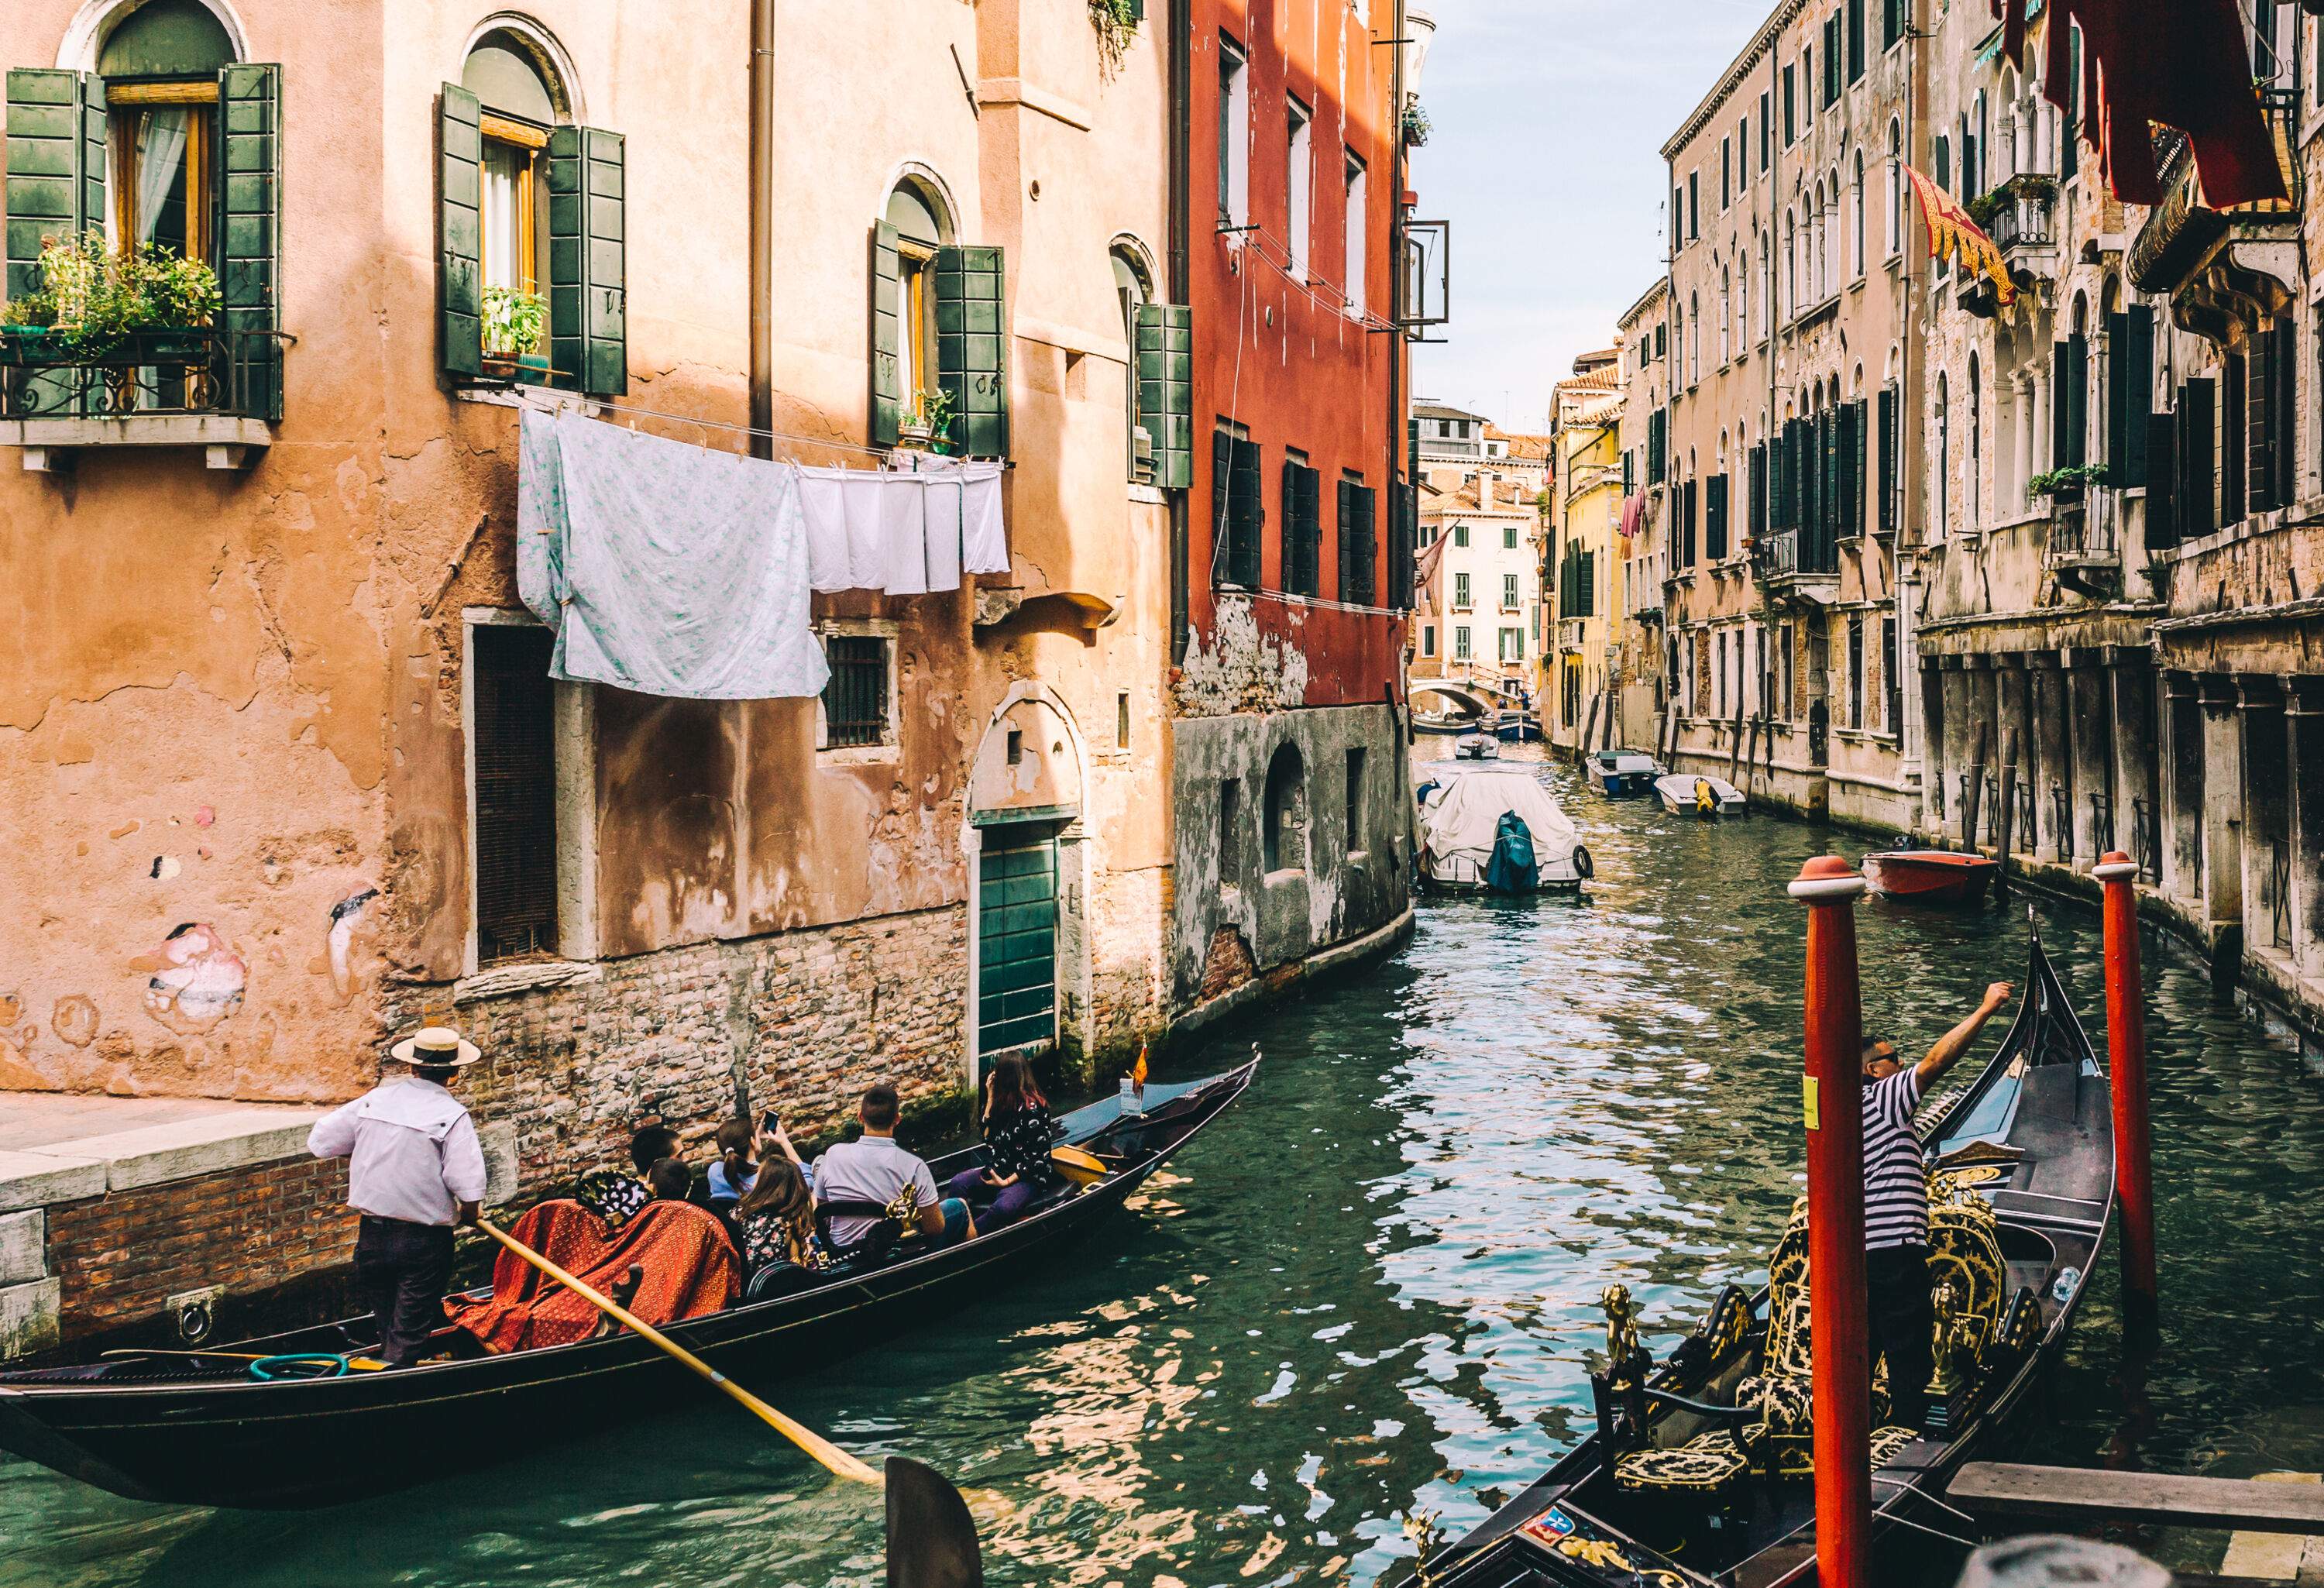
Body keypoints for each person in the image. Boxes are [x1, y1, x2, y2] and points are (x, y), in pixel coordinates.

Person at [1862, 979, 2013, 1429]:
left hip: (1860, 1252)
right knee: (1909, 1352)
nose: (1901, 1063)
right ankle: (1905, 1442)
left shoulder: (1839, 1105)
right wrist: (1984, 1010)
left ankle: (1858, 1433)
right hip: (1893, 1250)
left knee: (1865, 1346)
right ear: (1874, 1070)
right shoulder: (1884, 1099)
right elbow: (1935, 1063)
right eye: (1892, 1058)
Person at [308, 1026, 490, 1368]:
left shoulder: (374, 1100)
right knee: (408, 1333)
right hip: (423, 1243)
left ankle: (384, 1374)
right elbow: (466, 1182)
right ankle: (392, 1386)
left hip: (372, 1237)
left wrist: (372, 1150)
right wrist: (469, 1213)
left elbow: (322, 1141)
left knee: (388, 1324)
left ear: (412, 1066)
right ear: (454, 1073)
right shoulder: (451, 1116)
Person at [811, 1084, 974, 1253]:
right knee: (959, 1206)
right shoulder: (914, 1166)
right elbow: (935, 1228)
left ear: (860, 1117)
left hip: (840, 1249)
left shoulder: (832, 1155)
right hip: (891, 1252)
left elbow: (823, 1212)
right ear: (897, 1119)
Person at [942, 1054, 1058, 1230]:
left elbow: (1038, 1158)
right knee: (958, 1182)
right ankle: (950, 1227)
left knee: (1003, 1208)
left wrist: (1006, 1182)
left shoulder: (1034, 1108)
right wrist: (989, 1096)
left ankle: (968, 1237)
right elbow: (987, 1137)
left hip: (1027, 1177)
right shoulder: (1000, 1103)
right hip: (999, 1168)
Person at [733, 1156, 830, 1287]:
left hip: (746, 1289)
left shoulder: (738, 1213)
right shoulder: (794, 1221)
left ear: (764, 1183)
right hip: (784, 1289)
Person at [705, 1117, 759, 1208]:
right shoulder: (764, 1174)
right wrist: (784, 1142)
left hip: (724, 1219)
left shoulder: (714, 1170)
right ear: (752, 1141)